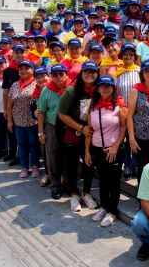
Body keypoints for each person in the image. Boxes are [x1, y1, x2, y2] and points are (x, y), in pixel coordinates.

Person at [84, 75, 128, 227]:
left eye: (109, 86)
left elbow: (124, 127)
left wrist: (116, 145)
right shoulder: (93, 106)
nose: (106, 88)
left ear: (113, 89)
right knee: (102, 179)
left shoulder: (119, 105)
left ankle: (112, 211)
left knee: (114, 181)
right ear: (97, 88)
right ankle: (104, 206)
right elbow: (90, 130)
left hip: (113, 150)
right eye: (102, 86)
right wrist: (87, 151)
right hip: (97, 148)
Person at [57, 61, 101, 210]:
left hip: (92, 133)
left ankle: (86, 193)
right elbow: (62, 114)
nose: (90, 74)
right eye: (86, 71)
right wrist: (80, 128)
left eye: (93, 72)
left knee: (89, 163)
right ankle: (73, 194)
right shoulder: (71, 90)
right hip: (75, 131)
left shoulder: (99, 89)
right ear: (81, 73)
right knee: (72, 163)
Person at [37, 63, 70, 197]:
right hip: (51, 126)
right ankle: (55, 185)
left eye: (61, 74)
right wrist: (41, 132)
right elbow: (41, 112)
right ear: (51, 76)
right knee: (52, 157)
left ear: (66, 75)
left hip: (69, 127)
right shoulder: (46, 90)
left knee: (68, 157)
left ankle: (68, 185)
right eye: (55, 75)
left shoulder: (71, 88)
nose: (58, 77)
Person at [5, 61, 41, 178]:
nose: (24, 71)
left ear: (32, 71)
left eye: (27, 68)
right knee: (21, 144)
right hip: (19, 121)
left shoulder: (37, 84)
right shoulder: (15, 85)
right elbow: (10, 105)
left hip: (33, 121)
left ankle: (35, 165)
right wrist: (10, 121)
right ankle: (24, 166)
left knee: (34, 143)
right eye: (21, 69)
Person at [114, 44, 141, 179]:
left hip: (138, 111)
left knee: (135, 137)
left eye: (131, 54)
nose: (128, 57)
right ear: (121, 56)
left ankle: (136, 164)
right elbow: (114, 94)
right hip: (122, 110)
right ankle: (127, 165)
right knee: (125, 138)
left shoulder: (139, 72)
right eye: (125, 54)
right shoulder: (117, 75)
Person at [1, 44, 26, 165]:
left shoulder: (31, 67)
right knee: (11, 131)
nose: (20, 55)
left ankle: (22, 156)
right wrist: (5, 108)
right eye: (17, 53)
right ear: (13, 54)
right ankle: (12, 153)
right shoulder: (8, 71)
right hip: (12, 106)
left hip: (26, 107)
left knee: (23, 135)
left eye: (22, 52)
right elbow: (5, 90)